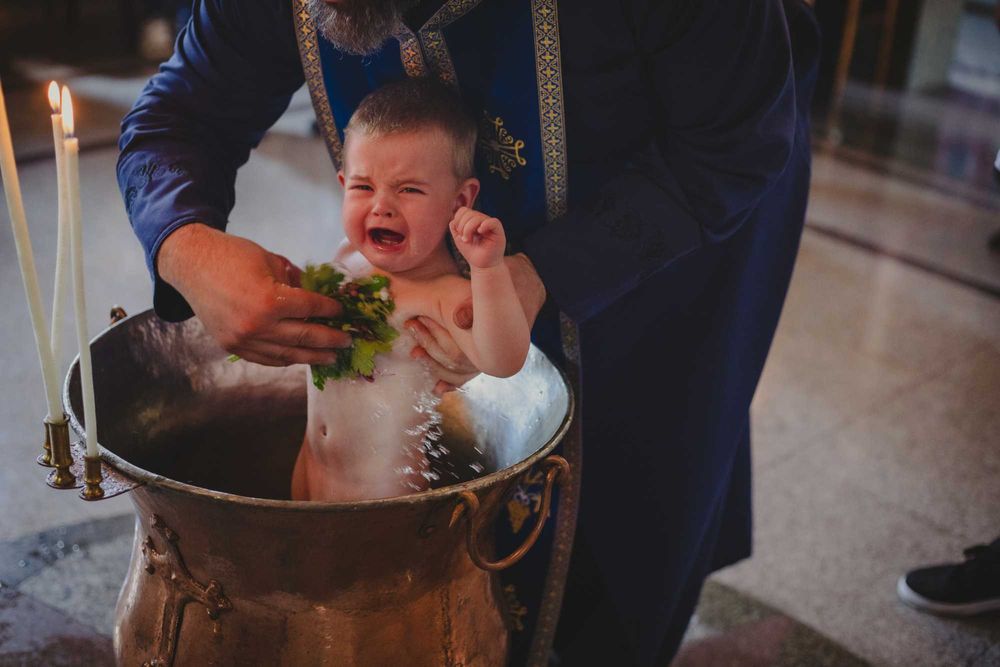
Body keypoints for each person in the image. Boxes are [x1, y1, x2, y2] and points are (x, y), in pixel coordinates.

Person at [117, 1, 820, 664]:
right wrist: (186, 247)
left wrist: (544, 271)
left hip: (667, 221)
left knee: (627, 520)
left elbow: (734, 143)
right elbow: (179, 113)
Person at [291, 79, 529, 502]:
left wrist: (488, 269)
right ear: (343, 183)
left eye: (409, 190)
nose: (381, 206)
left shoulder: (441, 295)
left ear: (460, 202)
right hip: (311, 467)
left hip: (382, 499)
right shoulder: (347, 258)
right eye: (363, 187)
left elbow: (504, 359)